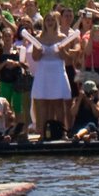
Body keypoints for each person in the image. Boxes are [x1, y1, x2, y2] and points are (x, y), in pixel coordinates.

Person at [32, 11, 74, 140]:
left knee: (58, 103)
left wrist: (61, 51)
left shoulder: (62, 37)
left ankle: (61, 133)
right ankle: (42, 133)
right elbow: (35, 58)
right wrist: (39, 51)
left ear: (56, 22)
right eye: (47, 20)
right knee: (43, 103)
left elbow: (68, 59)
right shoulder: (38, 37)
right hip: (43, 72)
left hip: (57, 72)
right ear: (44, 22)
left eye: (52, 20)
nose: (49, 22)